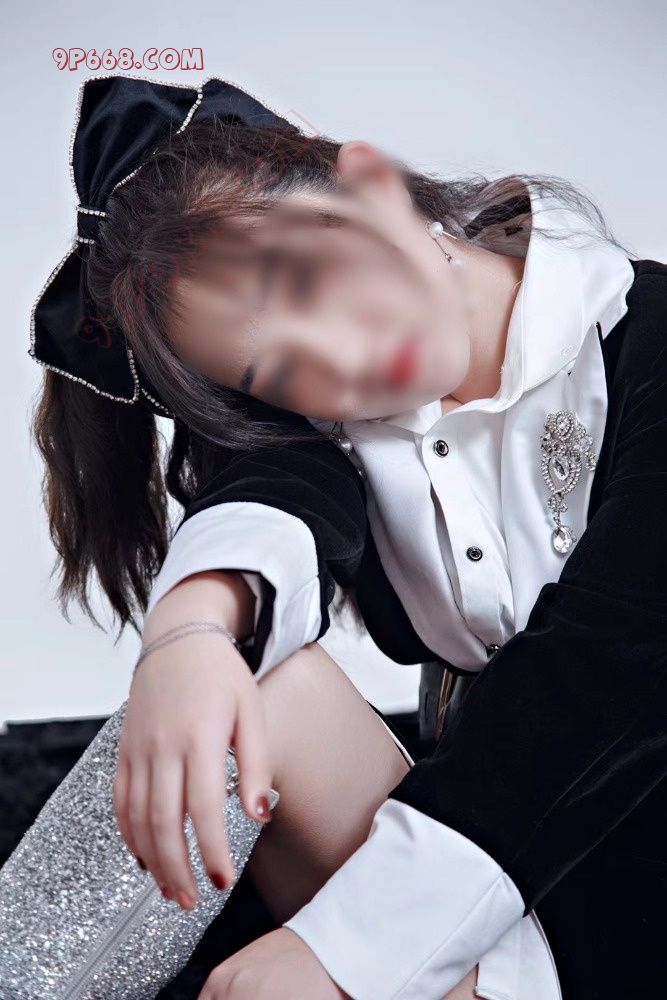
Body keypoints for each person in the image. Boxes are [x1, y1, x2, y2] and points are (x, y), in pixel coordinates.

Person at [29, 75, 666, 999]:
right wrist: (187, 636)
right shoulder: (345, 429)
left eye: (309, 280)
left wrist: (341, 949)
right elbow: (275, 497)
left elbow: (611, 668)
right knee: (251, 682)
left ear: (370, 185)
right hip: (505, 917)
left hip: (617, 915)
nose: (340, 354)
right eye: (280, 369)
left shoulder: (645, 340)